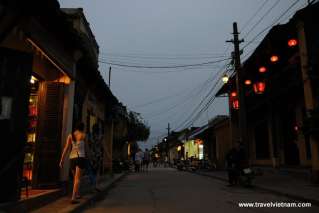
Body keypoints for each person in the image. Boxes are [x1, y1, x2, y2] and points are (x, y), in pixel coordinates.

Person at [59, 123, 86, 204]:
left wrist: (61, 160)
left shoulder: (70, 136)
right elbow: (87, 148)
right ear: (82, 128)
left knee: (75, 178)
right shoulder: (84, 135)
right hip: (80, 158)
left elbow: (66, 148)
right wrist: (90, 157)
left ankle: (77, 194)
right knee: (78, 179)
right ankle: (73, 198)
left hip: (72, 159)